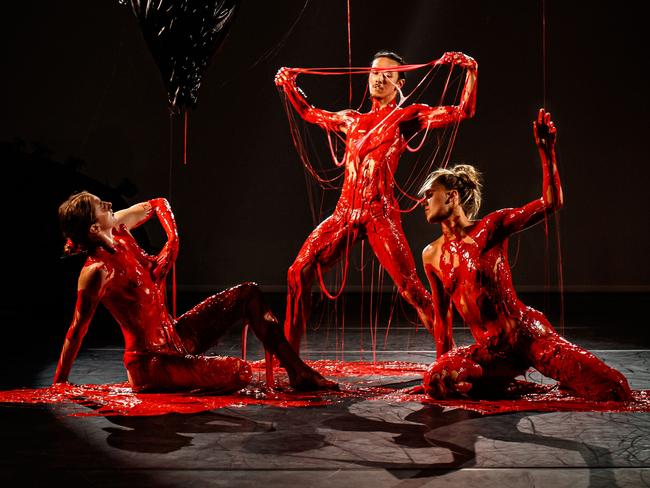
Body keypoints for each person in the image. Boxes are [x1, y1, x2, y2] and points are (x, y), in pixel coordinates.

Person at [418, 109, 631, 401]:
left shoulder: (490, 227)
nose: (423, 201)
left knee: (614, 390)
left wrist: (547, 152)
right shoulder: (431, 255)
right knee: (436, 382)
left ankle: (553, 375)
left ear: (452, 196)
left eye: (430, 194)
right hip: (492, 353)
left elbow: (550, 202)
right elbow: (442, 317)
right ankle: (495, 381)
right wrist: (442, 366)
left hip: (528, 337)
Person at [275, 50, 478, 354]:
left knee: (411, 290)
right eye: (374, 73)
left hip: (379, 215)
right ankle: (289, 359)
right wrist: (288, 85)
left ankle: (447, 358)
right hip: (345, 213)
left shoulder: (405, 118)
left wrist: (471, 72)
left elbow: (462, 111)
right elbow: (310, 113)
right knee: (297, 272)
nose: (379, 79)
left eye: (388, 74)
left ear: (400, 82)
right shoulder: (351, 120)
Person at [54, 191, 337, 393]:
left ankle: (297, 371)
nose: (109, 204)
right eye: (101, 206)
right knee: (239, 371)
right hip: (152, 363)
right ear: (93, 228)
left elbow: (158, 204)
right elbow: (77, 328)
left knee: (248, 293)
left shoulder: (118, 229)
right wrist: (61, 382)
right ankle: (183, 377)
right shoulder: (97, 271)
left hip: (175, 338)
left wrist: (172, 241)